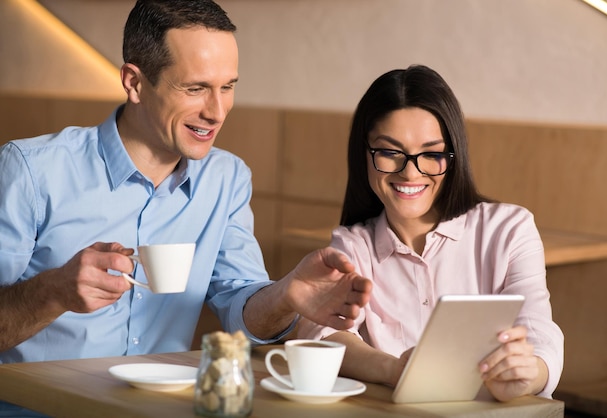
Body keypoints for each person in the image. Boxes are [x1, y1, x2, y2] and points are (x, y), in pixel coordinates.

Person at [0, 0, 371, 378]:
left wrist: (287, 295)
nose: (218, 111)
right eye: (196, 88)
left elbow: (242, 313)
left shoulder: (226, 179)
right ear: (135, 82)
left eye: (227, 87)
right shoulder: (31, 170)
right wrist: (52, 293)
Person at [297, 65, 564, 402]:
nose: (411, 172)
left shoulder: (509, 230)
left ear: (454, 156)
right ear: (364, 154)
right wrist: (395, 370)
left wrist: (531, 373)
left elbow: (539, 330)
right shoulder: (353, 245)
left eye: (432, 153)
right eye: (390, 152)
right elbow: (325, 335)